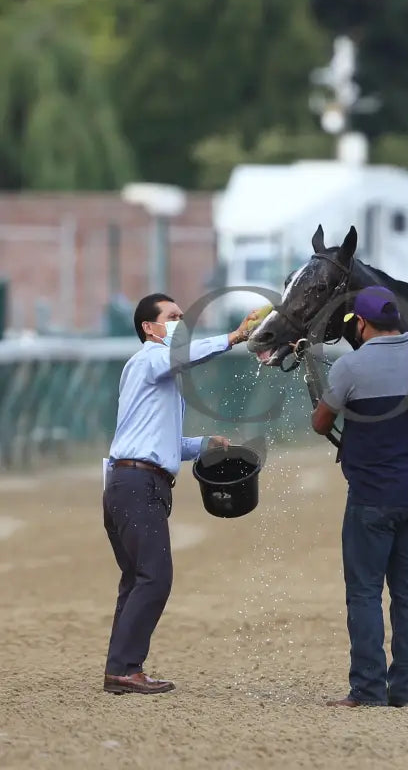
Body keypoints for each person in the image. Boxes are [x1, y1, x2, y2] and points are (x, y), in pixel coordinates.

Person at [103, 293, 260, 695]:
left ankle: (121, 668)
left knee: (137, 579)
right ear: (149, 328)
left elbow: (161, 443)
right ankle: (125, 668)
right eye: (172, 316)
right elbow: (184, 356)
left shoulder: (160, 373)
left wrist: (204, 444)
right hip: (137, 484)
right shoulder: (149, 360)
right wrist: (234, 336)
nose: (181, 321)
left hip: (130, 481)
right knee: (155, 577)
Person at [310, 285, 408, 708]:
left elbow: (321, 423)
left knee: (365, 593)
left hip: (372, 496)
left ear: (362, 323)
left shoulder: (351, 365)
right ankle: (407, 691)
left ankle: (367, 689)